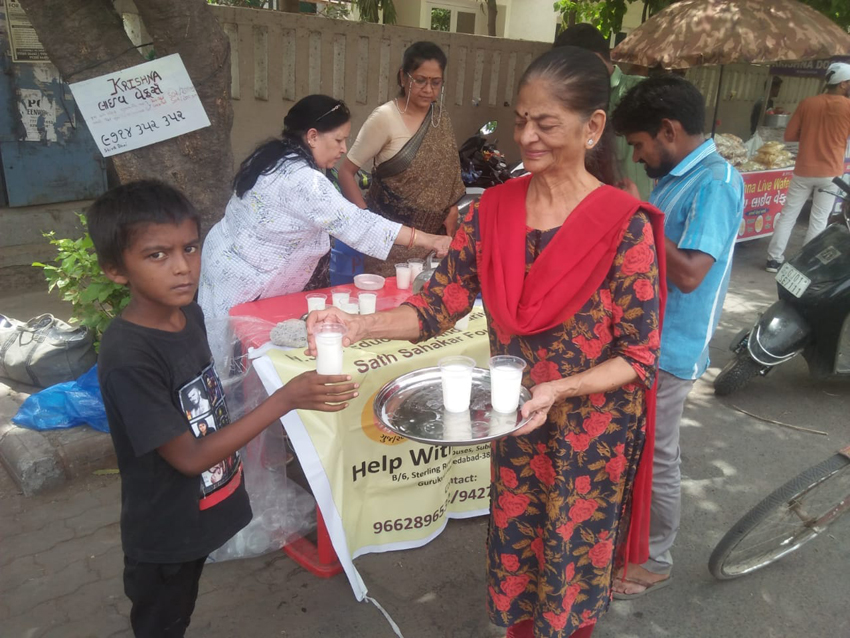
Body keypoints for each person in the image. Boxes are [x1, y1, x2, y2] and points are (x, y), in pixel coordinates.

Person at [308, 46, 667, 638]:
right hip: (517, 420)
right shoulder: (490, 213)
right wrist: (358, 325)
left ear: (592, 126)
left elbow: (640, 354)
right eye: (521, 120)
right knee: (518, 550)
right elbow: (436, 307)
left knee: (571, 562)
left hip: (590, 430)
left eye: (545, 123)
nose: (527, 137)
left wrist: (561, 388)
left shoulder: (623, 225)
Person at [90, 180, 359, 637]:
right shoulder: (129, 357)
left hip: (202, 509)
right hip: (165, 530)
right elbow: (189, 457)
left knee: (184, 604)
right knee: (163, 619)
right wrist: (284, 398)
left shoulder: (188, 316)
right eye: (157, 255)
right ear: (117, 269)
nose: (182, 267)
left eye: (190, 248)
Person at [611, 75, 744, 597]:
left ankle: (656, 558)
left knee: (658, 454)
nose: (638, 156)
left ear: (668, 130)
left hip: (672, 347)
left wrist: (636, 215)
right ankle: (632, 542)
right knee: (636, 448)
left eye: (640, 144)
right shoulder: (676, 175)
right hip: (645, 337)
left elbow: (689, 273)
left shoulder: (716, 181)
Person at [198, 94, 452, 361]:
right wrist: (430, 240)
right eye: (339, 140)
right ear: (312, 136)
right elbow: (361, 225)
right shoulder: (304, 181)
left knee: (223, 347)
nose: (344, 149)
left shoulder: (275, 157)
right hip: (243, 281)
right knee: (232, 356)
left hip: (225, 260)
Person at [337, 42, 466, 277]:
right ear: (403, 77)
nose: (428, 89)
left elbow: (449, 173)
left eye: (436, 82)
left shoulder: (440, 117)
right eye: (420, 80)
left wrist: (453, 208)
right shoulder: (385, 118)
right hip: (390, 244)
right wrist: (367, 220)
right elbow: (346, 172)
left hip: (435, 242)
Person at [765, 62, 850, 272]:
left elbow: (789, 135)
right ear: (842, 84)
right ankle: (804, 264)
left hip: (803, 170)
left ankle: (773, 260)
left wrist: (810, 135)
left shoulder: (808, 103)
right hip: (831, 173)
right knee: (819, 220)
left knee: (788, 215)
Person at [554, 23, 653, 200]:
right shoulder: (571, 99)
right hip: (586, 205)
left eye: (575, 67)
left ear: (597, 58)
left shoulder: (640, 92)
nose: (573, 75)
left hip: (634, 205)